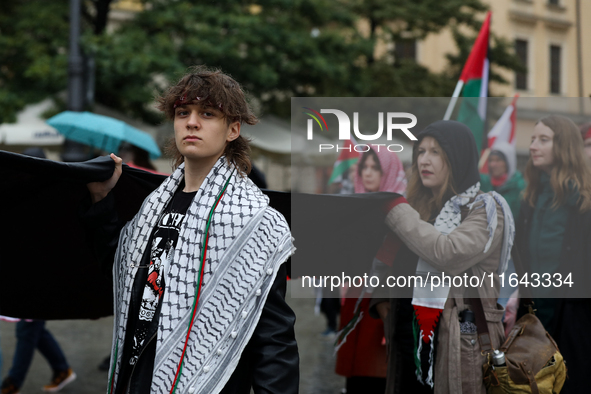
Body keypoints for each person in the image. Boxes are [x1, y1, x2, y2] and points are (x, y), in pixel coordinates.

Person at [84, 66, 298, 393]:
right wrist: (101, 203)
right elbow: (123, 274)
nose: (192, 122)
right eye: (183, 112)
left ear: (233, 130)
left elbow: (273, 339)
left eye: (208, 113)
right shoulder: (153, 206)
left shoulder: (253, 221)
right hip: (137, 376)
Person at [372, 120, 514, 393]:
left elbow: (447, 253)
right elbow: (386, 257)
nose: (425, 160)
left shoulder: (486, 209)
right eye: (421, 151)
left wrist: (396, 210)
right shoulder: (415, 208)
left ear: (458, 157)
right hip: (407, 340)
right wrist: (381, 298)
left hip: (456, 345)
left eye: (436, 152)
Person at [514, 115, 591, 394]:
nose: (533, 145)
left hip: (572, 323)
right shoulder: (531, 199)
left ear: (565, 147)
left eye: (543, 140)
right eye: (533, 139)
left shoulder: (584, 202)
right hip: (534, 321)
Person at [1, 147, 76, 394]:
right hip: (29, 277)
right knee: (34, 329)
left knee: (27, 330)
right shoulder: (28, 193)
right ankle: (62, 369)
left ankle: (12, 384)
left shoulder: (52, 197)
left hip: (42, 279)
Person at [335, 147, 406, 394]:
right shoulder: (355, 208)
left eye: (375, 167)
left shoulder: (402, 213)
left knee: (377, 373)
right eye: (364, 166)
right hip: (355, 298)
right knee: (355, 376)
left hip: (382, 301)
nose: (368, 173)